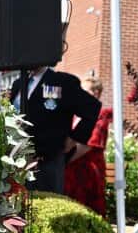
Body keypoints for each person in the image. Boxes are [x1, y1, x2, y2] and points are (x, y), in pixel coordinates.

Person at [14, 66, 100, 195]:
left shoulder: (62, 81)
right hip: (18, 161)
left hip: (47, 161)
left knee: (44, 205)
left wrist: (74, 138)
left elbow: (92, 107)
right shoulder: (19, 83)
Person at [63, 77, 112, 215]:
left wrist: (63, 160)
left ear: (96, 93)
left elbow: (89, 144)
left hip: (88, 170)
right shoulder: (76, 113)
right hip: (72, 169)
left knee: (87, 209)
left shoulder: (101, 114)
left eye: (85, 90)